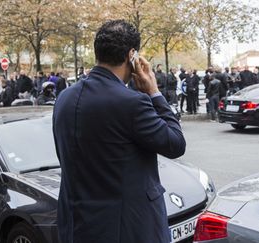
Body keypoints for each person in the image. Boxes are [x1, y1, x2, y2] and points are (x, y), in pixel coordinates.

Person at [53, 20, 186, 243]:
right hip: (127, 230)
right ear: (131, 55)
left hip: (76, 226)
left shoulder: (64, 98)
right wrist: (154, 92)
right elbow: (175, 144)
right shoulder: (131, 103)